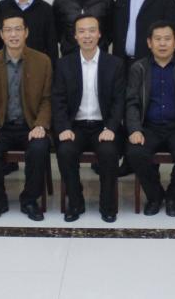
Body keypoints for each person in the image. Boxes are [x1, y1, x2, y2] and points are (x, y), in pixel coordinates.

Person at [0, 13, 53, 221]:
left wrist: (41, 125)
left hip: (30, 125)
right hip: (0, 126)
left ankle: (29, 200)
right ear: (1, 34)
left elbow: (47, 99)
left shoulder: (43, 61)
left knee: (39, 148)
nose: (13, 34)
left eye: (18, 29)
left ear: (26, 32)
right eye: (8, 30)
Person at [124, 22, 175, 217]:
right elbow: (131, 102)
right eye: (157, 39)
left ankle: (172, 196)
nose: (162, 43)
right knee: (135, 152)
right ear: (149, 43)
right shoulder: (139, 68)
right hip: (148, 127)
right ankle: (155, 196)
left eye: (167, 39)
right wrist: (135, 129)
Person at [52, 14, 126, 223]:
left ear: (99, 34)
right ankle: (75, 202)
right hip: (75, 126)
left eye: (92, 30)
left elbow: (119, 101)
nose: (87, 36)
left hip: (104, 126)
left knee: (109, 152)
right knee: (65, 151)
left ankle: (107, 205)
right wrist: (63, 128)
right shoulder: (64, 64)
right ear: (75, 36)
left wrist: (111, 127)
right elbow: (58, 100)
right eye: (82, 31)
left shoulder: (114, 64)